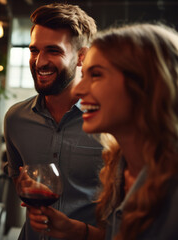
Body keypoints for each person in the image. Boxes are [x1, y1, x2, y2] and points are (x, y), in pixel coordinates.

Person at [29, 23, 178, 240]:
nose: (79, 90)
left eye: (96, 75)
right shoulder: (120, 166)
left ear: (146, 84)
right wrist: (76, 230)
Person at [3, 3, 104, 240]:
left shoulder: (109, 122)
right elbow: (21, 185)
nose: (39, 62)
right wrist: (26, 187)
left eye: (53, 51)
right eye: (34, 50)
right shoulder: (16, 119)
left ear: (82, 57)